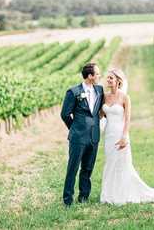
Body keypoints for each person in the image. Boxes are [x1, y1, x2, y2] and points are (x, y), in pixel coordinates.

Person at [100, 68, 154, 205]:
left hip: (120, 133)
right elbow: (101, 115)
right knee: (110, 163)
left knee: (122, 164)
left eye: (111, 78)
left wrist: (124, 136)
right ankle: (109, 194)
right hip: (109, 134)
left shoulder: (125, 98)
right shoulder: (105, 97)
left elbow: (127, 120)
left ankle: (123, 193)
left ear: (118, 81)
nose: (108, 80)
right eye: (107, 78)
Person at [60, 62, 104, 207]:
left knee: (88, 168)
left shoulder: (99, 90)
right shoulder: (73, 92)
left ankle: (84, 196)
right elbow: (65, 114)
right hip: (78, 137)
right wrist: (75, 129)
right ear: (90, 76)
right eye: (97, 74)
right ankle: (68, 200)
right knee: (73, 167)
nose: (99, 76)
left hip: (94, 136)